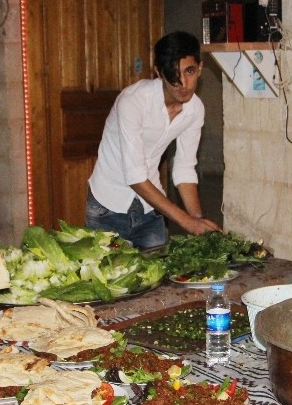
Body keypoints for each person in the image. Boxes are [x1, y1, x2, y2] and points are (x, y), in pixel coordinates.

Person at [86, 30, 220, 250]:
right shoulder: (133, 101)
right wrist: (186, 222)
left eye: (190, 71)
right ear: (158, 73)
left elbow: (185, 169)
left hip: (150, 210)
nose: (183, 84)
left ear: (200, 68)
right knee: (109, 282)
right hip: (107, 208)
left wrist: (198, 220)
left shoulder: (195, 109)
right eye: (173, 75)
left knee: (159, 281)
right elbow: (136, 177)